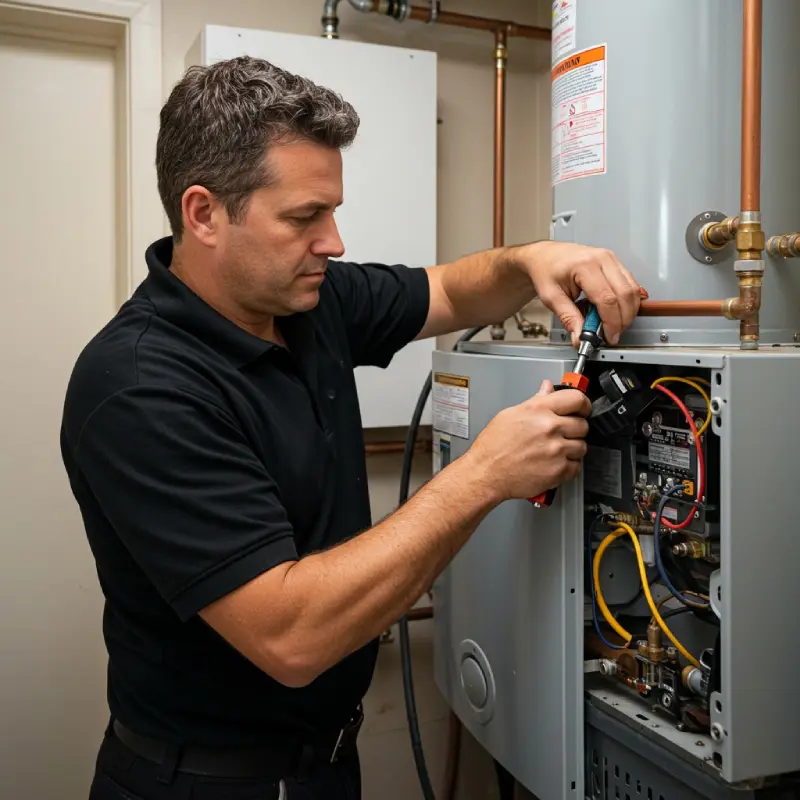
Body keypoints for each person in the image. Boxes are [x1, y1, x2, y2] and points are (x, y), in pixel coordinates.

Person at [60, 56, 642, 800]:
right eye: (305, 218)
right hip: (208, 783)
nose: (333, 242)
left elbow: (447, 290)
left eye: (332, 212)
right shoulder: (140, 387)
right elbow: (291, 636)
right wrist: (485, 474)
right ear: (203, 213)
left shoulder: (309, 302)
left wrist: (535, 257)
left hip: (327, 766)